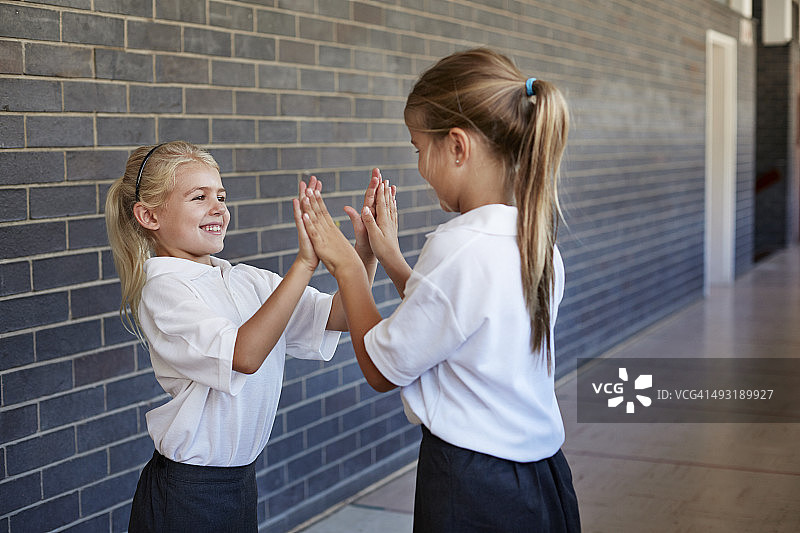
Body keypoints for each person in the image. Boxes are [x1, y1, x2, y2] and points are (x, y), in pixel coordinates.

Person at [298, 48, 581, 532]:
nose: (420, 167)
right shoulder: (534, 241)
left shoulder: (458, 245)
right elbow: (460, 320)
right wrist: (392, 260)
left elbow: (382, 369)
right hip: (543, 479)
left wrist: (347, 264)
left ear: (456, 146)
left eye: (417, 148)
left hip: (473, 487)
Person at [104, 140, 388, 532]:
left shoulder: (247, 280)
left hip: (239, 482)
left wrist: (363, 255)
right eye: (198, 197)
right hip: (190, 493)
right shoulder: (162, 288)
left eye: (220, 195)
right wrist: (306, 263)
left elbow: (340, 315)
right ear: (149, 216)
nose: (218, 207)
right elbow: (244, 355)